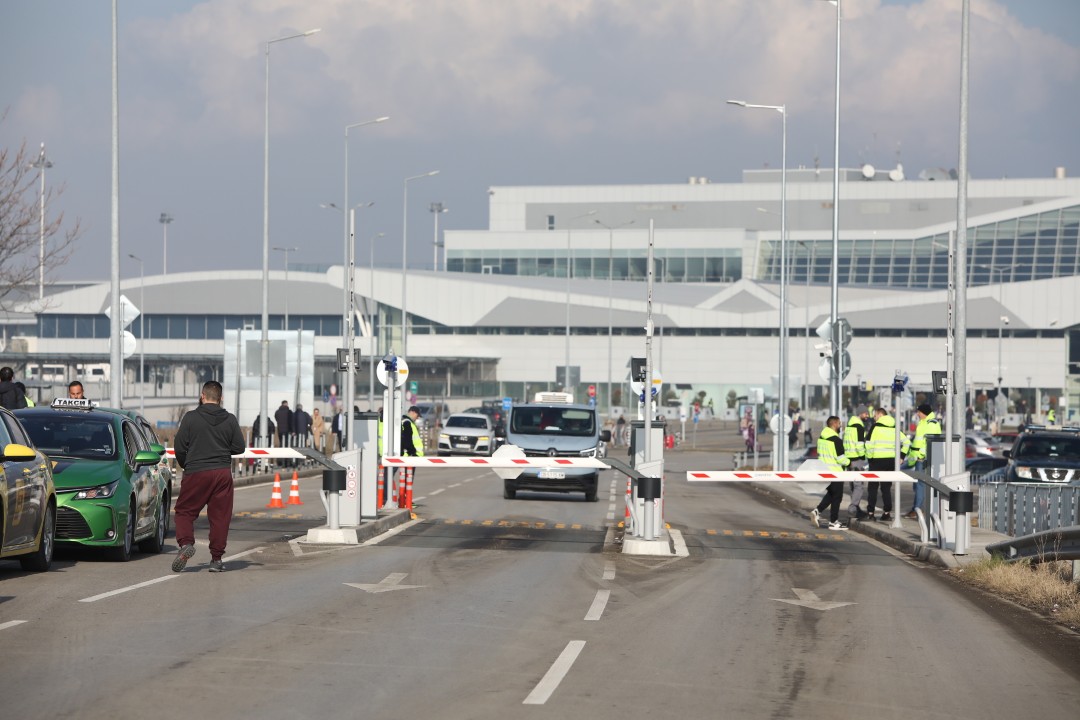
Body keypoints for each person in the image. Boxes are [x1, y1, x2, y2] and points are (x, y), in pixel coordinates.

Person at [171, 380, 246, 573]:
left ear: (202, 396)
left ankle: (186, 543)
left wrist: (185, 464)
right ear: (220, 399)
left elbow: (180, 446)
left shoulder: (190, 418)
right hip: (222, 473)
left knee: (184, 511)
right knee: (220, 517)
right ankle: (216, 559)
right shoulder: (230, 419)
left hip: (196, 471)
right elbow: (239, 447)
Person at [865, 407, 908, 521]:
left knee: (873, 488)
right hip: (890, 461)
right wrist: (901, 457)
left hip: (876, 461)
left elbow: (868, 444)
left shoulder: (875, 427)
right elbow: (907, 442)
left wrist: (870, 458)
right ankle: (887, 512)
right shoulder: (895, 427)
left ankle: (870, 513)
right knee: (886, 488)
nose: (874, 419)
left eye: (875, 416)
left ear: (880, 415)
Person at [810, 416, 850, 530]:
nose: (841, 426)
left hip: (824, 471)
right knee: (837, 497)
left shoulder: (822, 438)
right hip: (835, 472)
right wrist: (849, 462)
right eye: (839, 424)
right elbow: (841, 459)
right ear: (834, 424)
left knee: (831, 495)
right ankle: (833, 522)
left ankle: (817, 511)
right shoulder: (836, 441)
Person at [904, 403, 942, 519]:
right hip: (918, 459)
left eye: (919, 412)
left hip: (924, 459)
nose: (918, 414)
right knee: (917, 485)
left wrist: (922, 455)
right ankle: (917, 508)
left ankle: (917, 509)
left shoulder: (932, 424)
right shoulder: (923, 423)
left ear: (924, 412)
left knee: (921, 485)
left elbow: (931, 442)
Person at [843, 405, 870, 519]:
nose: (867, 416)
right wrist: (863, 456)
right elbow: (859, 444)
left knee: (853, 485)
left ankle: (856, 507)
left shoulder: (849, 426)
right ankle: (853, 508)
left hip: (849, 458)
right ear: (860, 413)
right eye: (866, 414)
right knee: (859, 486)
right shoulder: (859, 426)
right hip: (857, 458)